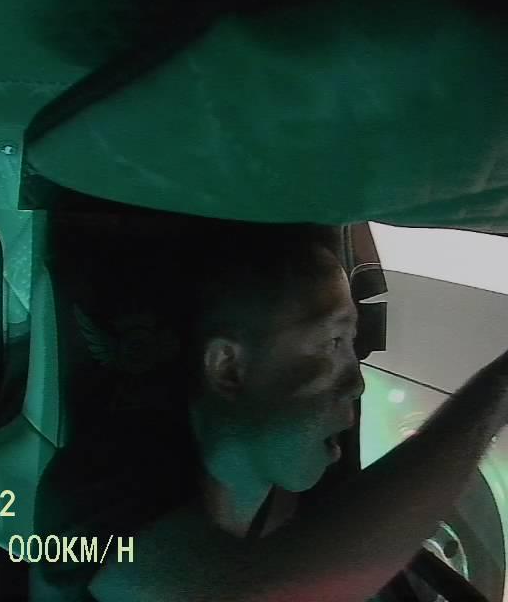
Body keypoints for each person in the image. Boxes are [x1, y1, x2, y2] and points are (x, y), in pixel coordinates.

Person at [39, 223, 508, 602]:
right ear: (228, 368)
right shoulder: (90, 496)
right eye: (332, 342)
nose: (356, 382)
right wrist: (498, 393)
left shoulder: (301, 495)